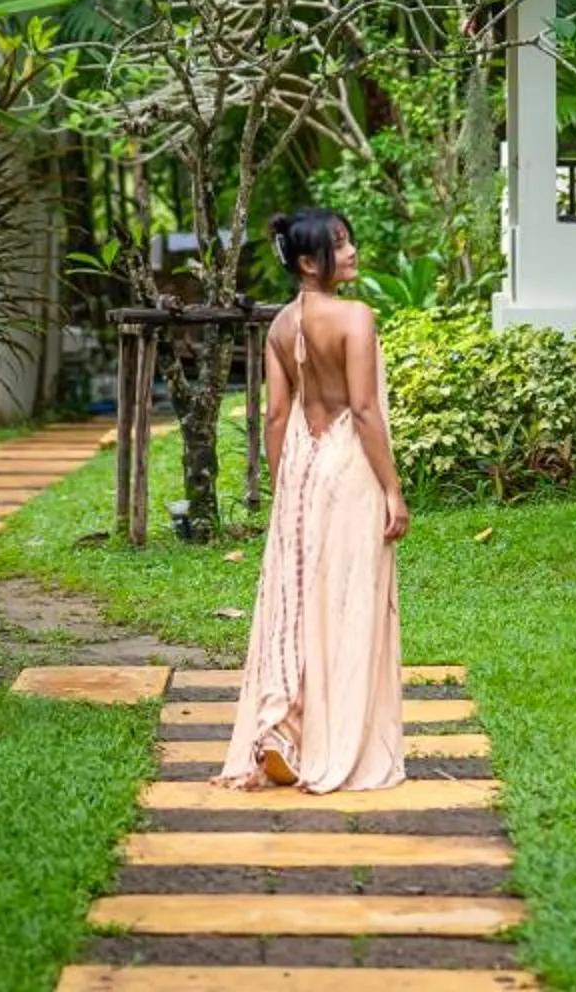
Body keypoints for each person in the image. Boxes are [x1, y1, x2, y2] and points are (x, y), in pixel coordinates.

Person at [211, 206, 408, 794]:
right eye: (339, 244)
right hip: (349, 464)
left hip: (301, 461)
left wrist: (284, 486)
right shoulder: (355, 318)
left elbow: (274, 416)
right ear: (307, 261)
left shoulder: (278, 327)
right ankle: (333, 744)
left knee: (296, 602)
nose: (350, 252)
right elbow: (366, 410)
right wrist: (393, 490)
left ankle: (286, 730)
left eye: (349, 240)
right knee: (349, 604)